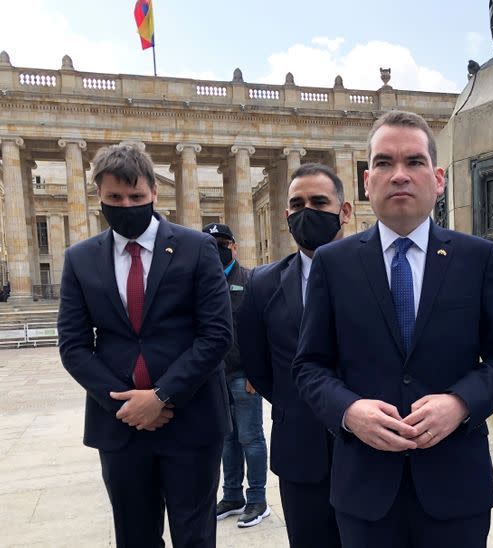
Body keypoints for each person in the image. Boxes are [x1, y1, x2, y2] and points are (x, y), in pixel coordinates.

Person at [292, 111, 493, 548]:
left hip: (455, 485)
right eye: (384, 163)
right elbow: (309, 366)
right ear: (366, 181)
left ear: (438, 179)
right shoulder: (333, 263)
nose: (399, 175)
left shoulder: (477, 258)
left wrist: (460, 403)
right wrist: (349, 411)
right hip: (365, 489)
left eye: (414, 162)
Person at [57, 144, 233, 547]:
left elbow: (217, 333)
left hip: (191, 419)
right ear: (98, 196)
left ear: (154, 192)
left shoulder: (197, 247)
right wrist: (126, 404)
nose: (126, 205)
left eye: (136, 197)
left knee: (195, 536)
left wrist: (161, 395)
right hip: (119, 424)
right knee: (134, 537)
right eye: (115, 198)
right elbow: (73, 345)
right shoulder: (80, 259)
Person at [239, 162, 352, 548]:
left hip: (371, 450)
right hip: (300, 450)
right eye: (298, 204)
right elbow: (258, 365)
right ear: (286, 215)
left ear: (345, 211)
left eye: (320, 202)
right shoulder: (262, 283)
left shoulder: (378, 271)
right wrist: (300, 404)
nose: (308, 211)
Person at [203, 222, 270, 528]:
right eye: (211, 242)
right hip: (214, 375)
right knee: (226, 438)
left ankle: (257, 499)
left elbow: (260, 331)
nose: (217, 247)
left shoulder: (249, 279)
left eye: (222, 242)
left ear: (233, 246)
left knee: (250, 437)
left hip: (243, 374)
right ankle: (232, 496)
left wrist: (258, 373)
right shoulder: (201, 282)